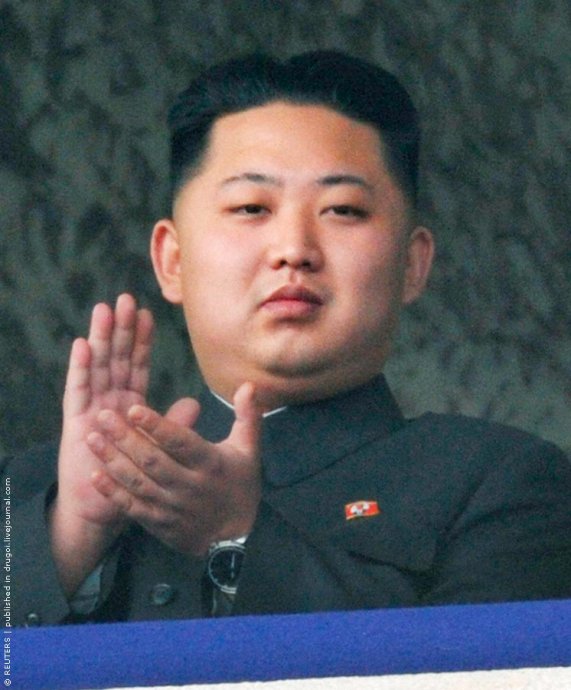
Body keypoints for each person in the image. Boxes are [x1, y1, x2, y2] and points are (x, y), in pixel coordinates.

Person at [8, 51, 571, 627]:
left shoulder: (500, 483)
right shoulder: (31, 493)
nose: (294, 249)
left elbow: (480, 671)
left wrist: (237, 540)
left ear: (412, 263)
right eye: (251, 207)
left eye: (342, 209)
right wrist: (70, 539)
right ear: (172, 259)